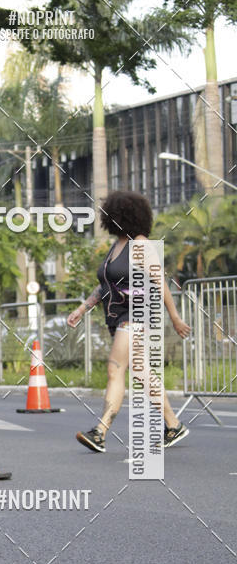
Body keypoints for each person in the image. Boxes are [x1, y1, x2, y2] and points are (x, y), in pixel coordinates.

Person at [67, 190, 191, 453]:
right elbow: (104, 287)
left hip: (137, 315)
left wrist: (175, 318)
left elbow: (161, 283)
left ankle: (100, 432)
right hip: (119, 316)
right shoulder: (117, 246)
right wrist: (81, 309)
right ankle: (174, 425)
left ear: (121, 216)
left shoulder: (141, 244)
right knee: (141, 372)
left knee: (115, 370)